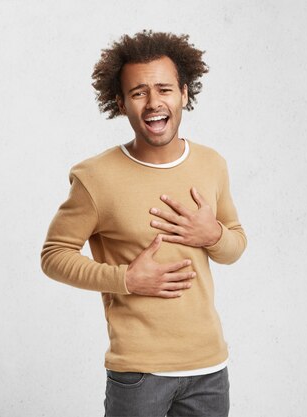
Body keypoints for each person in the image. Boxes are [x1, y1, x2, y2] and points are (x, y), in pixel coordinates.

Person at [41, 30, 247, 417]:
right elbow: (53, 256)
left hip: (209, 369)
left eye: (164, 89)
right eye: (138, 93)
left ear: (184, 94)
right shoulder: (95, 177)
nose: (154, 103)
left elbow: (236, 243)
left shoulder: (212, 164)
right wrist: (125, 279)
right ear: (120, 103)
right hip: (139, 373)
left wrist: (213, 234)